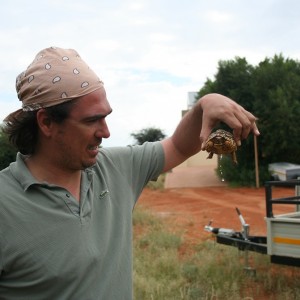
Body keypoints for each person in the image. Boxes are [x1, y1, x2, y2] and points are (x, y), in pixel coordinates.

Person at [0, 47, 259, 300]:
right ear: (46, 122)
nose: (106, 132)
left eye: (106, 117)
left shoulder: (115, 167)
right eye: (92, 120)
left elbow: (178, 146)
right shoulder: (5, 204)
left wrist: (205, 103)